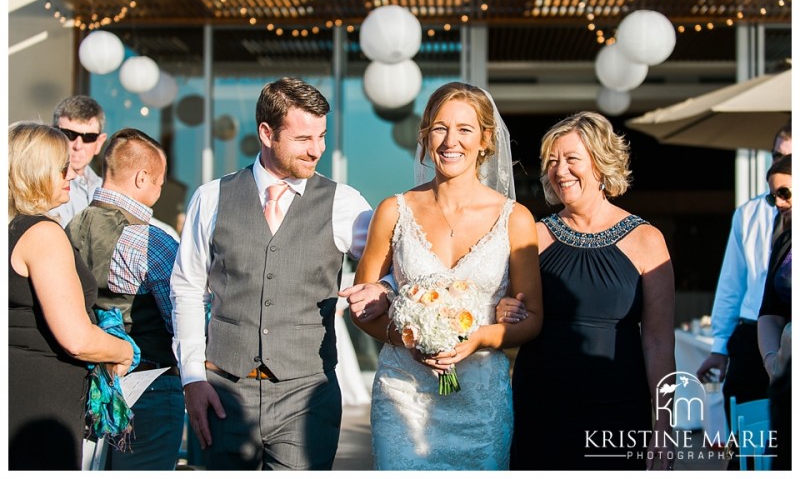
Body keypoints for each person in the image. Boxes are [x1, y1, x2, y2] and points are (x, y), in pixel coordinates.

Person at [170, 77, 383, 470]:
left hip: (307, 396)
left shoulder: (345, 203)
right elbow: (186, 290)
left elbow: (391, 261)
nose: (317, 150)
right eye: (304, 138)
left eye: (321, 136)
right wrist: (192, 378)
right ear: (266, 133)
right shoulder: (211, 197)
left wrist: (382, 289)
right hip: (223, 394)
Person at [350, 82, 543, 470]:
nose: (450, 140)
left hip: (480, 404)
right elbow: (363, 309)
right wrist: (407, 339)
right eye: (439, 128)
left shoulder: (515, 219)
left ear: (486, 140)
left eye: (464, 129)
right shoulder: (393, 211)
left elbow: (533, 320)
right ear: (425, 136)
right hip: (404, 398)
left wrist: (478, 338)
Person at [498, 111, 676, 470]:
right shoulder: (531, 235)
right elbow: (507, 309)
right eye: (552, 161)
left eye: (572, 159)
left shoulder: (647, 240)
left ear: (601, 163)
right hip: (541, 408)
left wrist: (664, 425)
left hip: (619, 413)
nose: (560, 170)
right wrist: (503, 311)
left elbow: (658, 342)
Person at [8, 122, 134, 470]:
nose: (73, 175)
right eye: (62, 168)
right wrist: (123, 350)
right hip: (39, 405)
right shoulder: (41, 234)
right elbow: (76, 338)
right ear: (35, 173)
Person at [66, 128, 184, 470]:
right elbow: (181, 318)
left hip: (87, 384)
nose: (160, 190)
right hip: (148, 385)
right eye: (159, 182)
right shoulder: (151, 240)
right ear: (142, 177)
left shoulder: (68, 228)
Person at [696, 125, 792, 428]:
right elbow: (731, 283)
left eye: (792, 156)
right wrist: (719, 346)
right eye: (778, 154)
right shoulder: (750, 213)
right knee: (745, 440)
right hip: (754, 336)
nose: (783, 161)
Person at [756, 153, 791, 470]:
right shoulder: (783, 242)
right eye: (773, 196)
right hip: (787, 380)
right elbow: (769, 310)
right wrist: (771, 361)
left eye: (785, 193)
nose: (778, 203)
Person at [51, 95, 108, 226]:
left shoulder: (106, 189)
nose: (78, 145)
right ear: (52, 134)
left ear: (99, 142)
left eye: (89, 137)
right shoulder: (39, 185)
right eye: (69, 134)